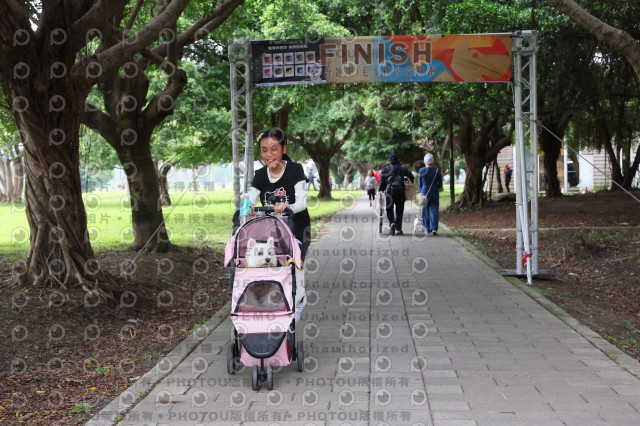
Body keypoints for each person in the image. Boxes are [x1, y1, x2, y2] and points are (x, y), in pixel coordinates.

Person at [247, 128, 311, 260]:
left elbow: (302, 203)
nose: (269, 154)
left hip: (297, 230)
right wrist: (248, 207)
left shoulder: (295, 170)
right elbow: (250, 201)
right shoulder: (259, 175)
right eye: (264, 150)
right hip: (271, 232)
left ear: (284, 149)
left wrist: (288, 207)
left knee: (292, 265)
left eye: (274, 149)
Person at [378, 153, 414, 235]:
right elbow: (411, 177)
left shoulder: (385, 169)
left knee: (389, 209)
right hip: (400, 192)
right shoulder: (403, 168)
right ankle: (398, 229)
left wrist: (380, 191)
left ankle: (392, 222)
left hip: (389, 192)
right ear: (398, 159)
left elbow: (382, 183)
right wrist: (406, 181)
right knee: (399, 210)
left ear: (389, 160)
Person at [418, 153, 442, 236]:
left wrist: (422, 191)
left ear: (425, 161)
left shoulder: (421, 170)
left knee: (425, 209)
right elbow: (440, 184)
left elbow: (419, 184)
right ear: (433, 161)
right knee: (434, 209)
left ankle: (426, 228)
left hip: (424, 191)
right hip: (434, 191)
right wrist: (436, 188)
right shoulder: (437, 171)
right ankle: (434, 228)